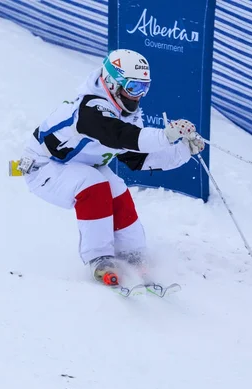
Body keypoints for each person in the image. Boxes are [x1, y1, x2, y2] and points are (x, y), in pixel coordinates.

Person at [17, 49, 205, 286]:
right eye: (133, 88)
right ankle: (99, 258)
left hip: (79, 166)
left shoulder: (129, 115)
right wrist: (165, 135)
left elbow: (140, 158)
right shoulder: (90, 109)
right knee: (93, 185)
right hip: (43, 167)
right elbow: (118, 135)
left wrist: (185, 151)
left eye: (144, 88)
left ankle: (133, 254)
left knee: (117, 190)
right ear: (112, 84)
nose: (138, 97)